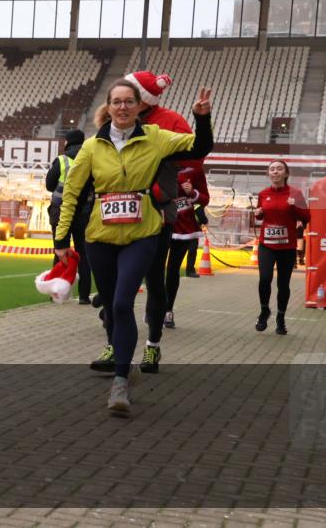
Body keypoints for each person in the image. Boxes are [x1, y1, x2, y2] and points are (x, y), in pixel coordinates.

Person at [54, 79, 214, 414]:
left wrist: (201, 117)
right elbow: (71, 193)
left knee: (124, 302)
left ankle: (120, 384)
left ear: (139, 105)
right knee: (112, 307)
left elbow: (199, 148)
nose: (123, 107)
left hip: (142, 235)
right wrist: (61, 240)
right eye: (117, 102)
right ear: (108, 107)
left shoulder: (155, 137)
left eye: (129, 101)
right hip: (100, 237)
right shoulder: (92, 147)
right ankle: (124, 360)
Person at [253, 160, 309, 335]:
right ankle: (264, 310)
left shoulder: (296, 193)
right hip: (266, 245)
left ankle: (281, 318)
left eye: (279, 169)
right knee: (265, 279)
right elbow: (261, 215)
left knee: (283, 284)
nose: (275, 172)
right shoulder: (263, 194)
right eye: (272, 169)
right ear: (268, 173)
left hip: (287, 246)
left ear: (286, 173)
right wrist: (259, 214)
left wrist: (294, 207)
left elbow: (307, 217)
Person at [45, 129, 93, 304]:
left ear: (67, 142)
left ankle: (56, 293)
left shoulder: (61, 160)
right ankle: (84, 296)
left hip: (60, 211)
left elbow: (49, 186)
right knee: (84, 254)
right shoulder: (91, 159)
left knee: (59, 251)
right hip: (84, 213)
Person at [165, 163, 210, 328]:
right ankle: (153, 308)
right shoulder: (157, 161)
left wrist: (192, 193)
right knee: (151, 268)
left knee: (172, 269)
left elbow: (205, 198)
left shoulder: (195, 169)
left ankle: (167, 310)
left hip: (183, 226)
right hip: (158, 222)